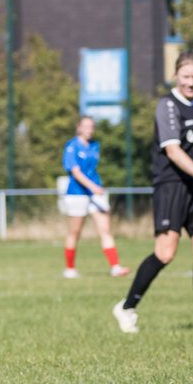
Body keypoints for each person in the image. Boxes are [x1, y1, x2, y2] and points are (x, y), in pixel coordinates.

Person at [112, 50, 193, 333]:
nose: (192, 82)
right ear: (176, 75)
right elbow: (173, 150)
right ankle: (127, 307)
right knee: (165, 253)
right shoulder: (167, 105)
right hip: (172, 185)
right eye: (187, 76)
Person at [61, 116, 130, 279]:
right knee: (75, 232)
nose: (89, 130)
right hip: (77, 193)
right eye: (86, 126)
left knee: (105, 230)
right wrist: (93, 187)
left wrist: (96, 188)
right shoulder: (72, 146)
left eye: (92, 126)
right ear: (78, 127)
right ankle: (70, 269)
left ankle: (115, 267)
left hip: (96, 193)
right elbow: (75, 172)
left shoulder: (95, 146)